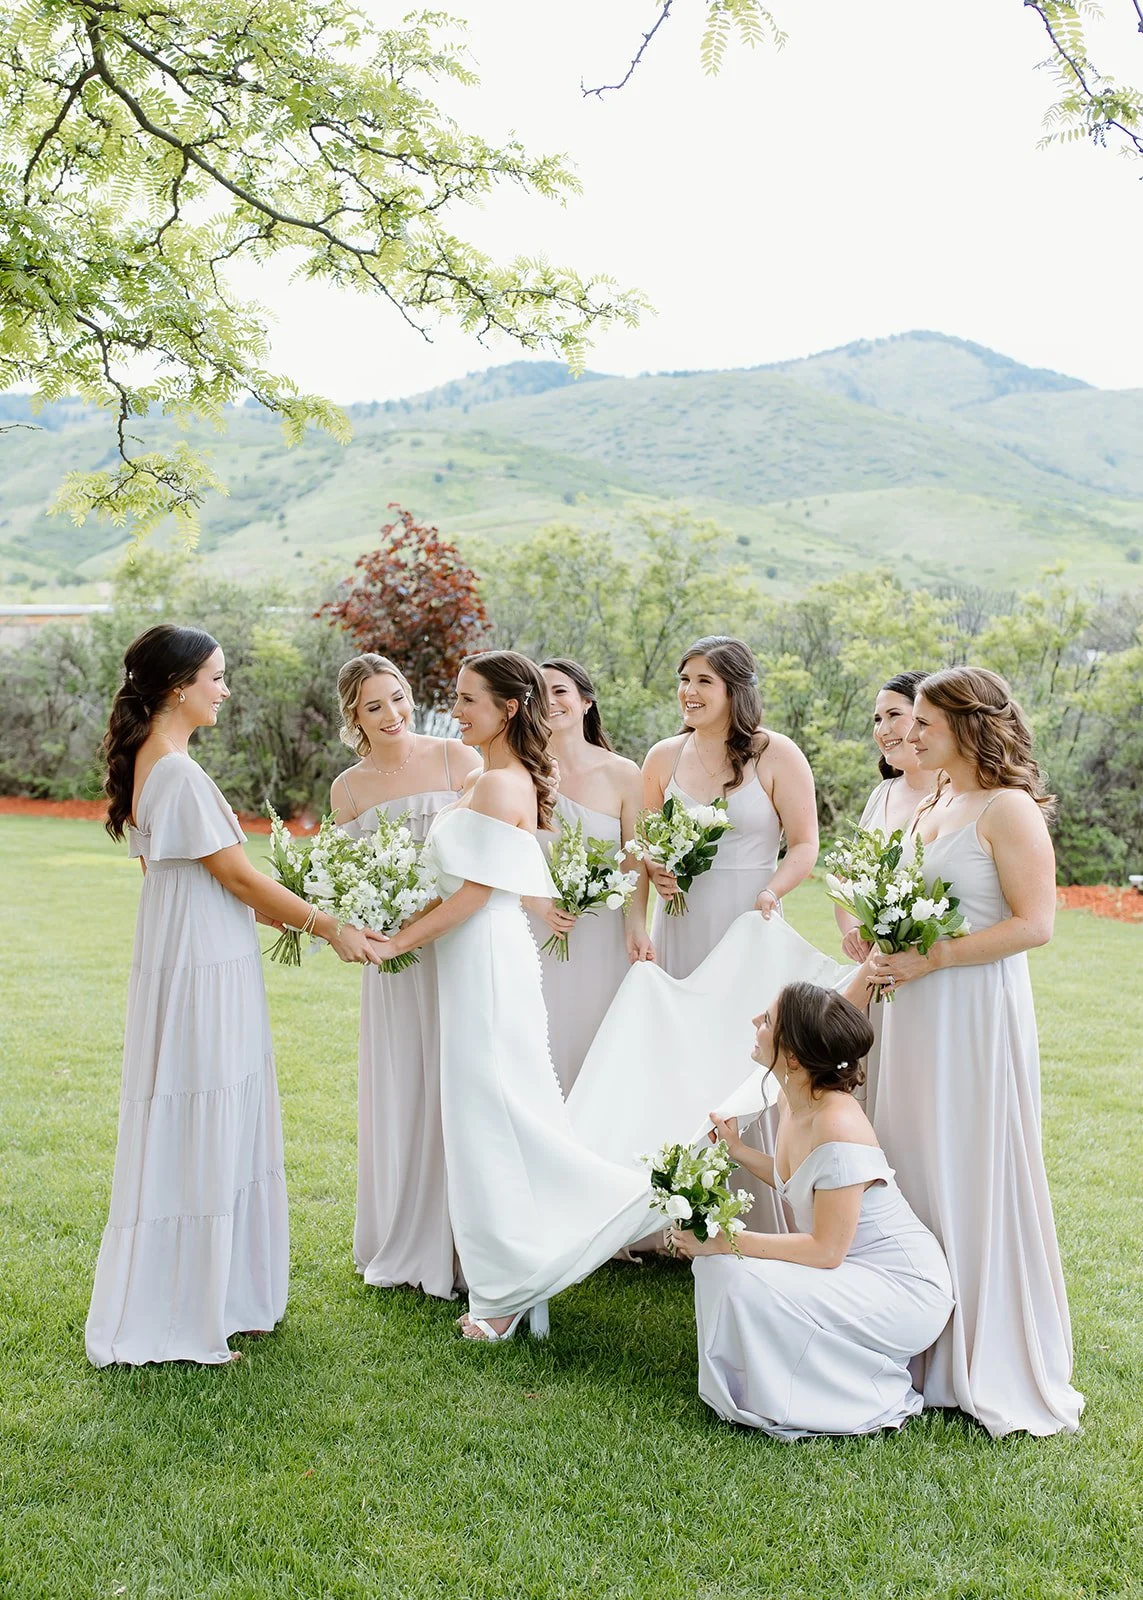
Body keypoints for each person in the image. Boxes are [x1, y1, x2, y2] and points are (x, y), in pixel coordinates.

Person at [86, 624, 381, 1368]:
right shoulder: (178, 772)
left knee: (214, 1110)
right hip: (201, 968)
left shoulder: (155, 763)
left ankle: (225, 1295)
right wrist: (327, 925)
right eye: (216, 677)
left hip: (185, 956)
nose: (225, 689)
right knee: (208, 1110)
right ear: (178, 685)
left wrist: (283, 912)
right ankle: (194, 1310)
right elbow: (240, 879)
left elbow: (174, 880)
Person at [373, 651, 654, 1341]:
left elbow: (474, 896)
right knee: (486, 1115)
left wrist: (393, 942)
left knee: (494, 1116)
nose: (457, 710)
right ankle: (515, 1268)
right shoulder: (487, 776)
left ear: (506, 709)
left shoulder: (502, 786)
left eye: (469, 700)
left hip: (488, 961)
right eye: (457, 697)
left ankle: (506, 1291)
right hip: (472, 960)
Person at [868, 666, 1084, 1436]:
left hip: (968, 1013)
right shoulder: (931, 799)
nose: (909, 734)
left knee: (966, 1159)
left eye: (924, 723)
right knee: (911, 1156)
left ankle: (978, 1351)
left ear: (967, 726)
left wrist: (934, 959)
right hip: (910, 1011)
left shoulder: (1006, 808)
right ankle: (911, 1334)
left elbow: (1035, 924)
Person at [670, 981, 953, 1439]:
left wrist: (727, 1240)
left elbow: (826, 1251)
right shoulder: (792, 1097)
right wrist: (739, 1150)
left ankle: (847, 1395)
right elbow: (798, 1180)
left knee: (729, 1267)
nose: (755, 1025)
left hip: (905, 1289)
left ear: (795, 1058)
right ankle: (760, 1388)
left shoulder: (838, 1125)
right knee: (720, 1269)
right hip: (852, 1270)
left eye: (766, 1021)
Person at [641, 635, 819, 1229]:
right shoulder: (663, 757)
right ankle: (679, 1207)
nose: (688, 692)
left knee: (752, 1057)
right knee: (683, 1052)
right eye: (684, 679)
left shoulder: (777, 754)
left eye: (703, 682)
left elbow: (805, 845)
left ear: (735, 691)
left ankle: (756, 1209)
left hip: (749, 924)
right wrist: (658, 869)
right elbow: (643, 845)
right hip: (681, 929)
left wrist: (772, 890)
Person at [330, 653, 480, 1300]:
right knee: (403, 1083)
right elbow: (344, 883)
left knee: (463, 1082)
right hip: (393, 959)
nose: (391, 715)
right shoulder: (349, 788)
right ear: (353, 717)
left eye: (396, 698)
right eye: (373, 706)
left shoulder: (456, 760)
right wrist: (369, 921)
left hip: (458, 947)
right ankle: (403, 1233)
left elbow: (492, 849)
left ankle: (467, 1238)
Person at [525, 658, 650, 1095]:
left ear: (586, 702)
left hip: (600, 936)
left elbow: (634, 858)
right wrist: (534, 904)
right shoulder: (521, 773)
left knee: (599, 1044)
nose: (551, 701)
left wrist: (636, 926)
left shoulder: (623, 773)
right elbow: (505, 855)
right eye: (539, 692)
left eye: (560, 690)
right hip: (534, 929)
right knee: (538, 1045)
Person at [834, 669, 938, 1113]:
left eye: (893, 715)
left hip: (928, 969)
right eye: (876, 719)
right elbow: (846, 877)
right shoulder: (883, 793)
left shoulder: (954, 794)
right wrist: (854, 926)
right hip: (877, 967)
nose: (882, 730)